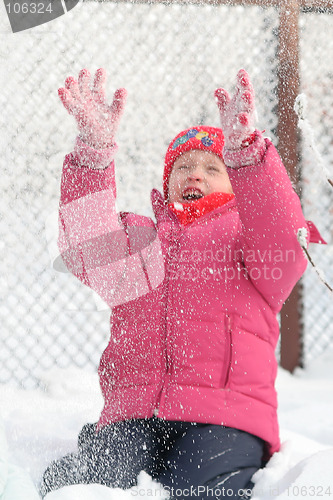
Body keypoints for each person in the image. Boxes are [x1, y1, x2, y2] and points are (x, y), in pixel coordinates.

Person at [41, 69, 312, 499]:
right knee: (95, 483)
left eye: (212, 167)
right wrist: (94, 154)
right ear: (166, 183)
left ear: (236, 182)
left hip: (224, 417)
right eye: (182, 166)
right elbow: (85, 244)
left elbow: (286, 238)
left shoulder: (249, 243)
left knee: (199, 488)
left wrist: (246, 154)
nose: (195, 174)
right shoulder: (140, 242)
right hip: (134, 415)